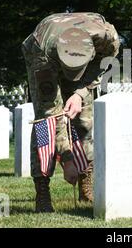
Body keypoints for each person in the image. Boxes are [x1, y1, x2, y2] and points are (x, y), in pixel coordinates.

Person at [21, 12, 120, 212]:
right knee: (45, 127)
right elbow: (51, 112)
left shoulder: (107, 38)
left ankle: (86, 183)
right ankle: (42, 191)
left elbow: (105, 64)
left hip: (85, 59)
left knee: (84, 118)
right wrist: (67, 160)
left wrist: (80, 93)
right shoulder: (43, 54)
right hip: (41, 50)